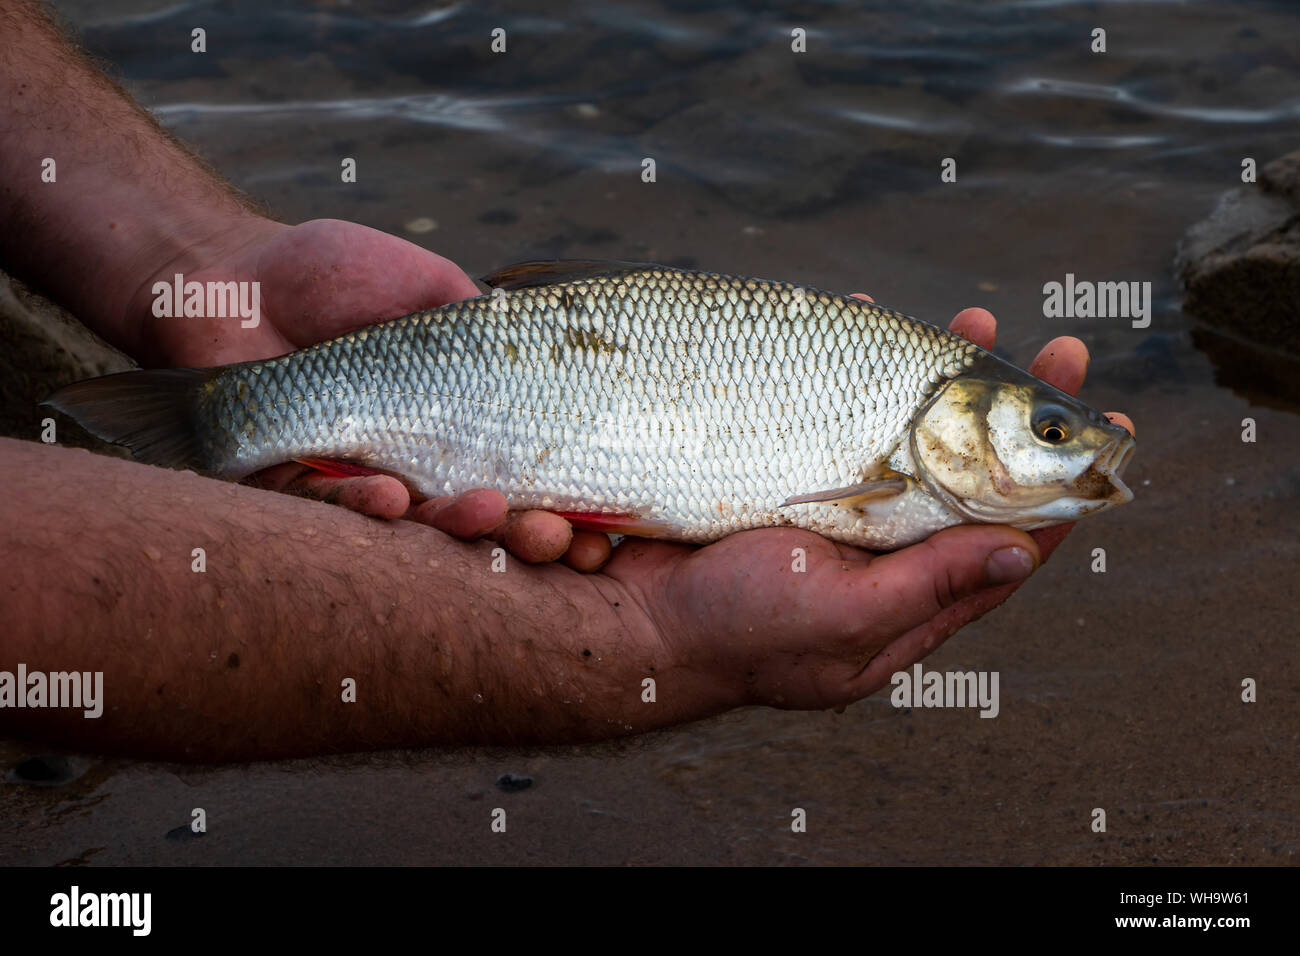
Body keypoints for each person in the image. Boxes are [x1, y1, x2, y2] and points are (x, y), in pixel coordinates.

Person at [0, 0, 1133, 760]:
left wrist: (195, 267)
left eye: (1048, 432)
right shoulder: (901, 476)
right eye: (1045, 428)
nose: (1071, 448)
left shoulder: (911, 434)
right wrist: (653, 648)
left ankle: (199, 447)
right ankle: (208, 437)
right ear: (954, 423)